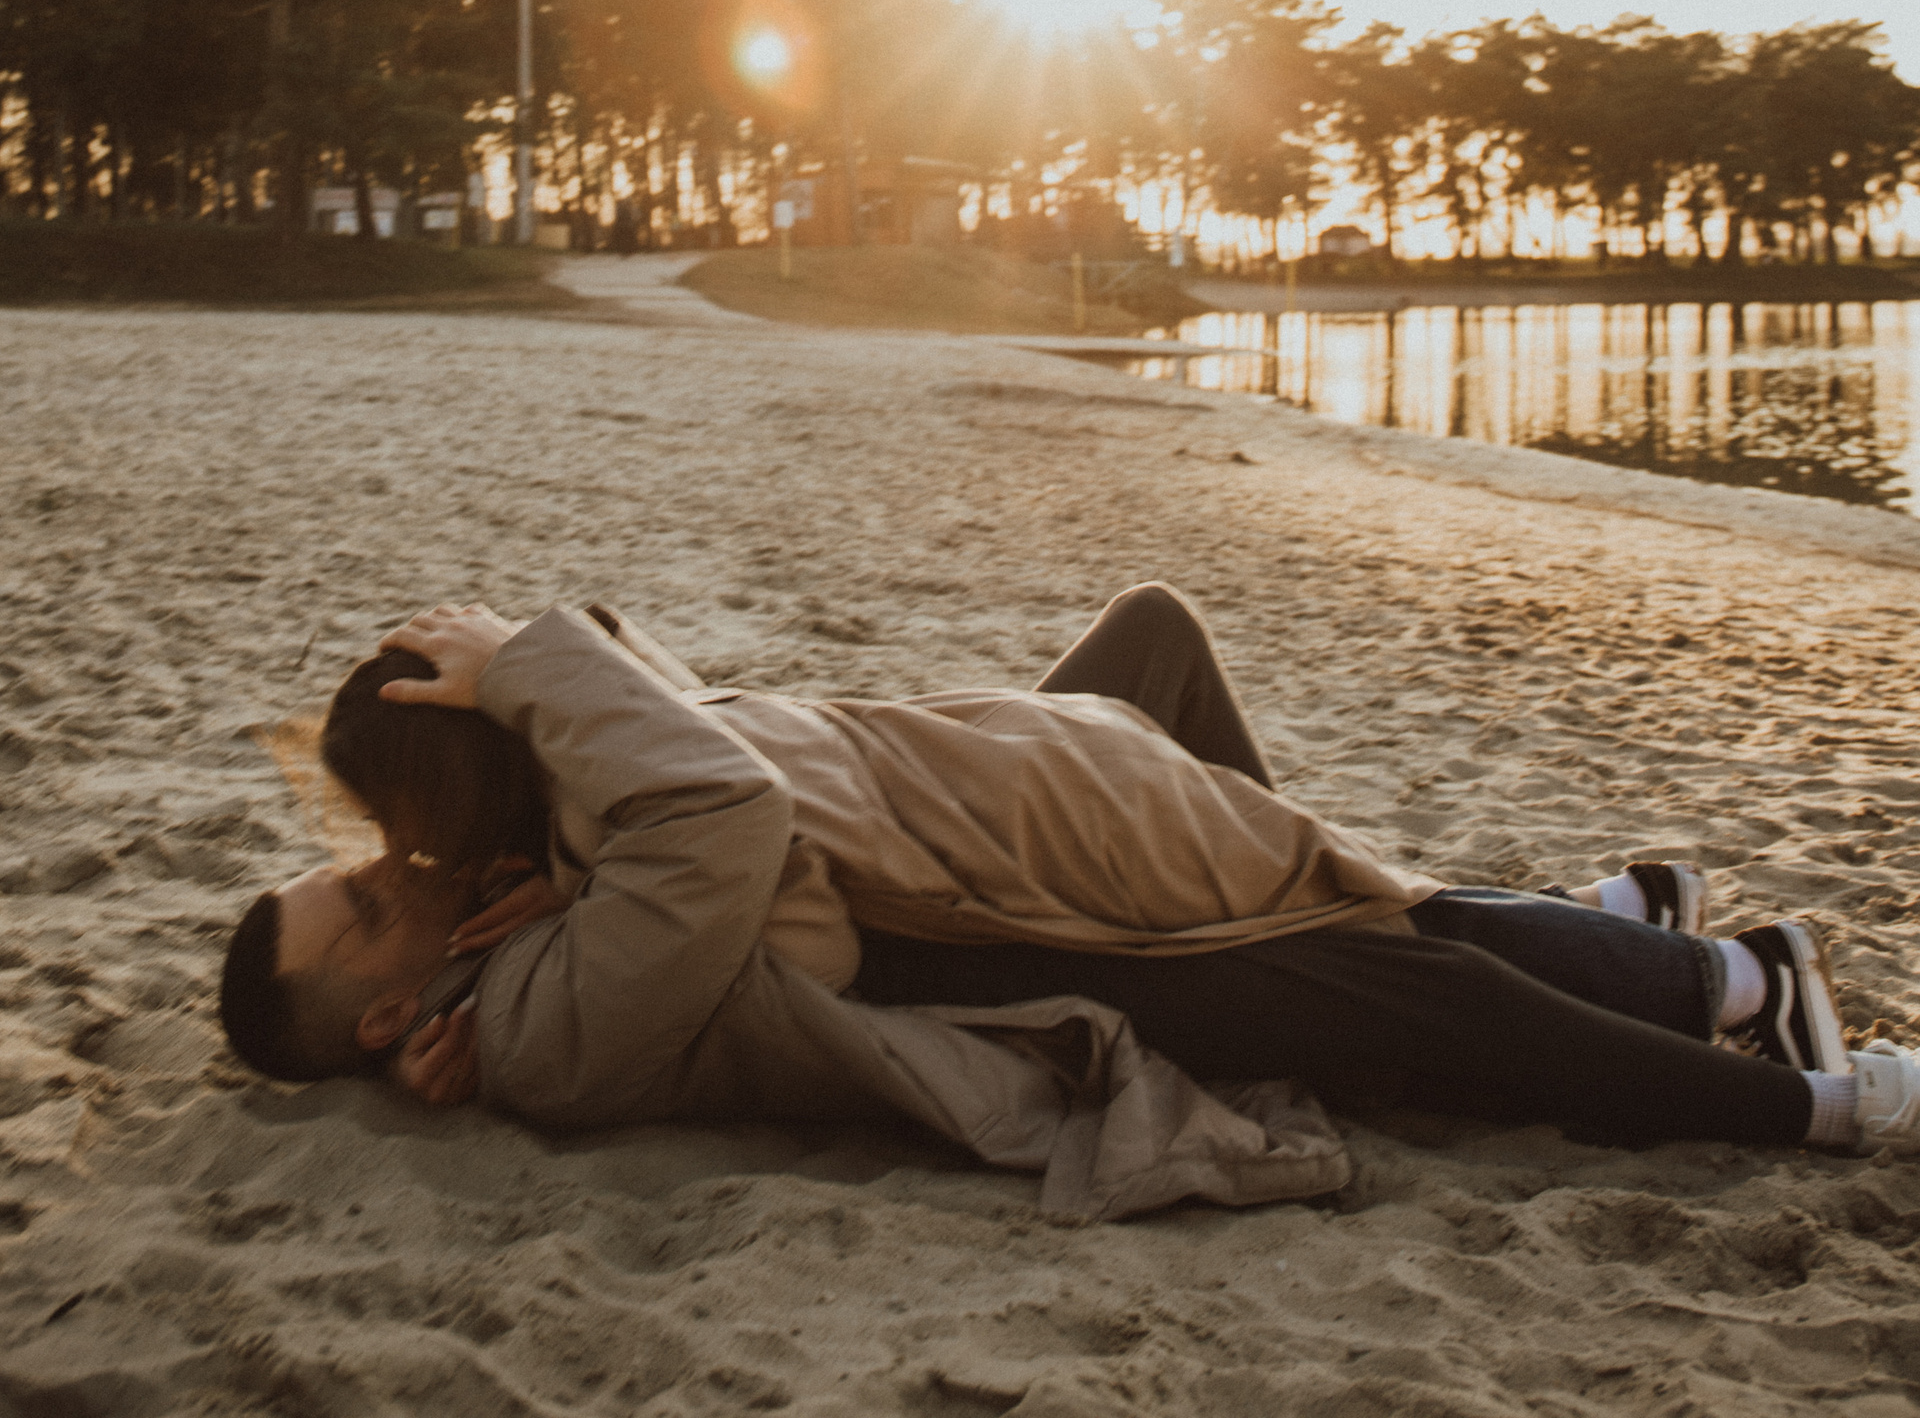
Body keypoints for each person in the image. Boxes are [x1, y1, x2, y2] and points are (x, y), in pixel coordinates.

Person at [219, 588, 1920, 1219]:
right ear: (388, 1017)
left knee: (1158, 655)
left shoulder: (524, 905)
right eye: (365, 902)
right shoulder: (536, 1022)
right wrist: (535, 678)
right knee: (1412, 979)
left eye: (381, 853)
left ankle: (1573, 924)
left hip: (960, 844)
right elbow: (720, 805)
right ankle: (1782, 1061)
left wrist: (527, 682)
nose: (392, 868)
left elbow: (666, 721)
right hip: (999, 960)